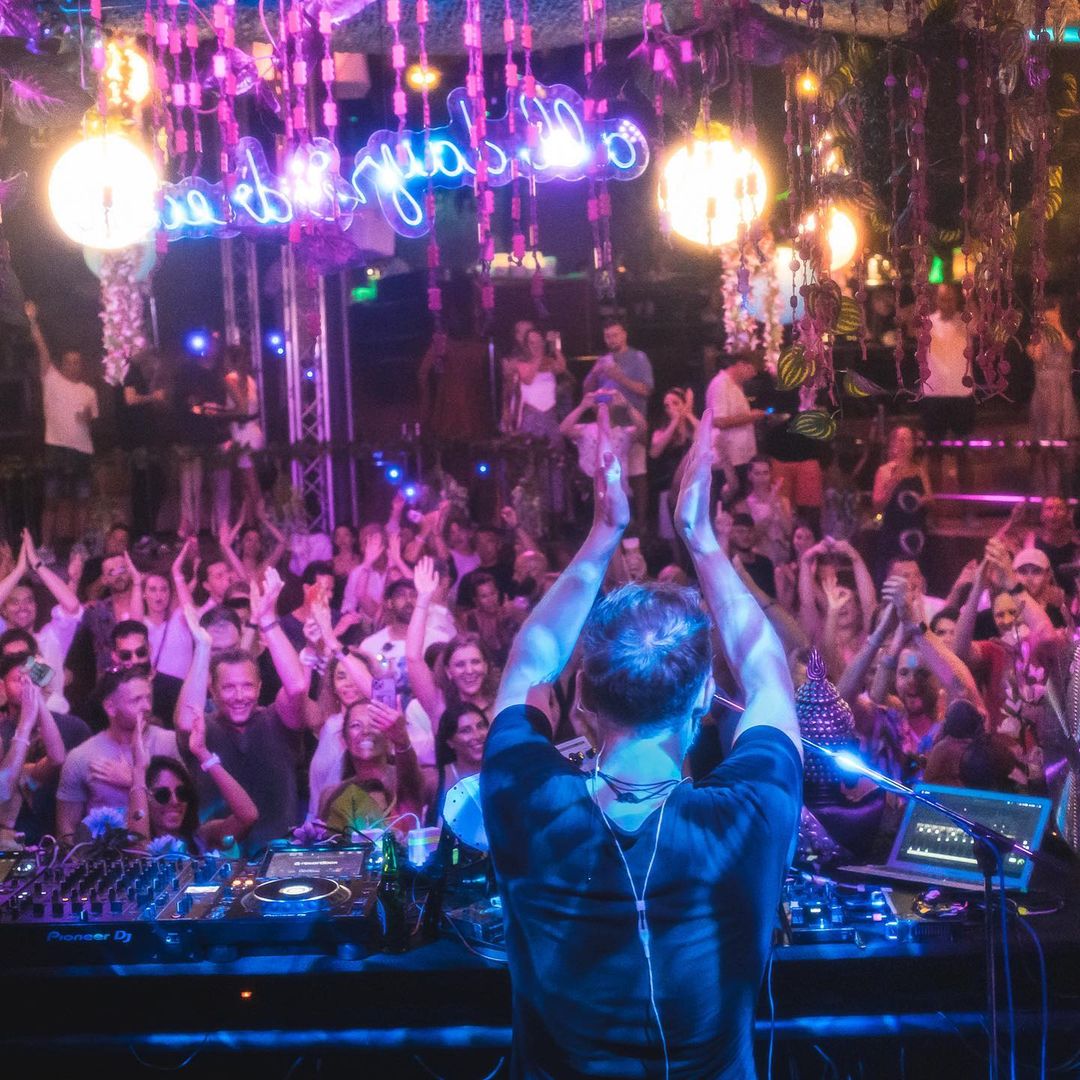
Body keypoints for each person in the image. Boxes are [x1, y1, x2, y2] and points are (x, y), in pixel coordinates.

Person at [480, 404, 801, 1078]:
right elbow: (766, 669)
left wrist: (605, 530)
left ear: (582, 702)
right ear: (705, 701)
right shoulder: (747, 817)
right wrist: (701, 537)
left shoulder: (524, 798)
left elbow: (531, 659)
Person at [55, 665, 178, 842]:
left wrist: (132, 781)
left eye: (148, 698)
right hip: (103, 854)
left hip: (161, 852)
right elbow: (67, 828)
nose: (146, 706)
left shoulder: (168, 743)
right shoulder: (81, 756)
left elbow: (184, 812)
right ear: (110, 708)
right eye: (136, 700)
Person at [126, 709, 258, 854]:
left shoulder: (203, 837)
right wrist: (139, 769)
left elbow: (248, 817)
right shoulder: (132, 842)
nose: (175, 801)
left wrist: (202, 753)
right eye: (162, 795)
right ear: (145, 800)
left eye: (182, 793)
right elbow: (138, 851)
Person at [25, 300, 99, 545]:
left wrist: (86, 418)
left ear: (81, 365)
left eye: (77, 362)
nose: (73, 365)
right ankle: (46, 547)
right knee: (51, 500)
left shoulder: (89, 391)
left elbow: (91, 421)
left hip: (82, 451)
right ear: (62, 363)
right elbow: (42, 349)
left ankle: (79, 546)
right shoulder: (51, 379)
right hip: (56, 449)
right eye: (69, 361)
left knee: (82, 501)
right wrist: (33, 320)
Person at [582, 319, 655, 531]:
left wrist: (619, 377)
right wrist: (595, 373)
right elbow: (586, 389)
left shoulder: (638, 358)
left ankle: (641, 524)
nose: (611, 339)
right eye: (607, 336)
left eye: (615, 335)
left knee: (636, 472)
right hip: (610, 426)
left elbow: (646, 390)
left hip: (633, 423)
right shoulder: (604, 360)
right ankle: (614, 520)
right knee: (613, 474)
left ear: (624, 334)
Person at [0, 529, 83, 713]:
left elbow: (71, 605)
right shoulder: (1, 640)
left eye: (29, 601)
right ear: (3, 610)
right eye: (14, 602)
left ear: (36, 606)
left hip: (56, 720)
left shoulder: (51, 637)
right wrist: (19, 570)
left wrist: (36, 563)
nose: (23, 607)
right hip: (13, 724)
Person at [317, 699, 425, 836]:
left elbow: (411, 789)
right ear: (344, 740)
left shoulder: (405, 782)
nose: (366, 731)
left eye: (374, 724)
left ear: (388, 736)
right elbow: (324, 840)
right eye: (356, 725)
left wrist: (402, 740)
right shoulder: (331, 794)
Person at [920, 283, 975, 491]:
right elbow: (909, 324)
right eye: (943, 299)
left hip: (962, 394)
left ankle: (968, 504)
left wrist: (970, 295)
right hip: (934, 394)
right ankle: (933, 503)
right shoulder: (927, 323)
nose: (947, 303)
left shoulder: (966, 321)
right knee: (934, 452)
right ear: (936, 300)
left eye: (951, 299)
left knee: (964, 452)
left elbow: (979, 324)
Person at [120, 348, 170, 539]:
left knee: (152, 484)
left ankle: (147, 530)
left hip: (148, 441)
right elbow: (130, 399)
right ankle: (143, 531)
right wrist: (153, 397)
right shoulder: (131, 372)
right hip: (139, 442)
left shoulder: (142, 376)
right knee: (146, 485)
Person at [872, 425, 932, 582]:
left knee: (917, 582)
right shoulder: (884, 471)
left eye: (909, 440)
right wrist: (892, 484)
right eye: (901, 440)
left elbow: (931, 500)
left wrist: (923, 501)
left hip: (917, 535)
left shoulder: (920, 470)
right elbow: (877, 507)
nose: (905, 444)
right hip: (894, 535)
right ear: (893, 444)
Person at [706, 350, 766, 501]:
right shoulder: (721, 384)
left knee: (740, 503)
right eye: (752, 369)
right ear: (741, 364)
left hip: (741, 458)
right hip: (728, 460)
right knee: (728, 504)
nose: (753, 375)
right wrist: (751, 417)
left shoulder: (736, 385)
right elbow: (718, 421)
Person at [222, 345, 266, 526]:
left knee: (249, 481)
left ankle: (263, 520)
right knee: (248, 482)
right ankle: (250, 523)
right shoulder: (249, 379)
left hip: (244, 433)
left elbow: (242, 409)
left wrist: (219, 413)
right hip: (254, 431)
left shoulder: (230, 379)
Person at [649, 387, 698, 548]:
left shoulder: (693, 427)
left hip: (693, 488)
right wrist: (675, 422)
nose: (670, 407)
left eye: (675, 403)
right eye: (666, 405)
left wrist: (687, 413)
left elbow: (704, 437)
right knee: (674, 539)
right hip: (669, 489)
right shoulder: (661, 431)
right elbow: (654, 452)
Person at [428, 702, 489, 824]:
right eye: (466, 730)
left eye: (480, 726)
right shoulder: (435, 780)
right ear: (450, 742)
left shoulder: (505, 772)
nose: (477, 735)